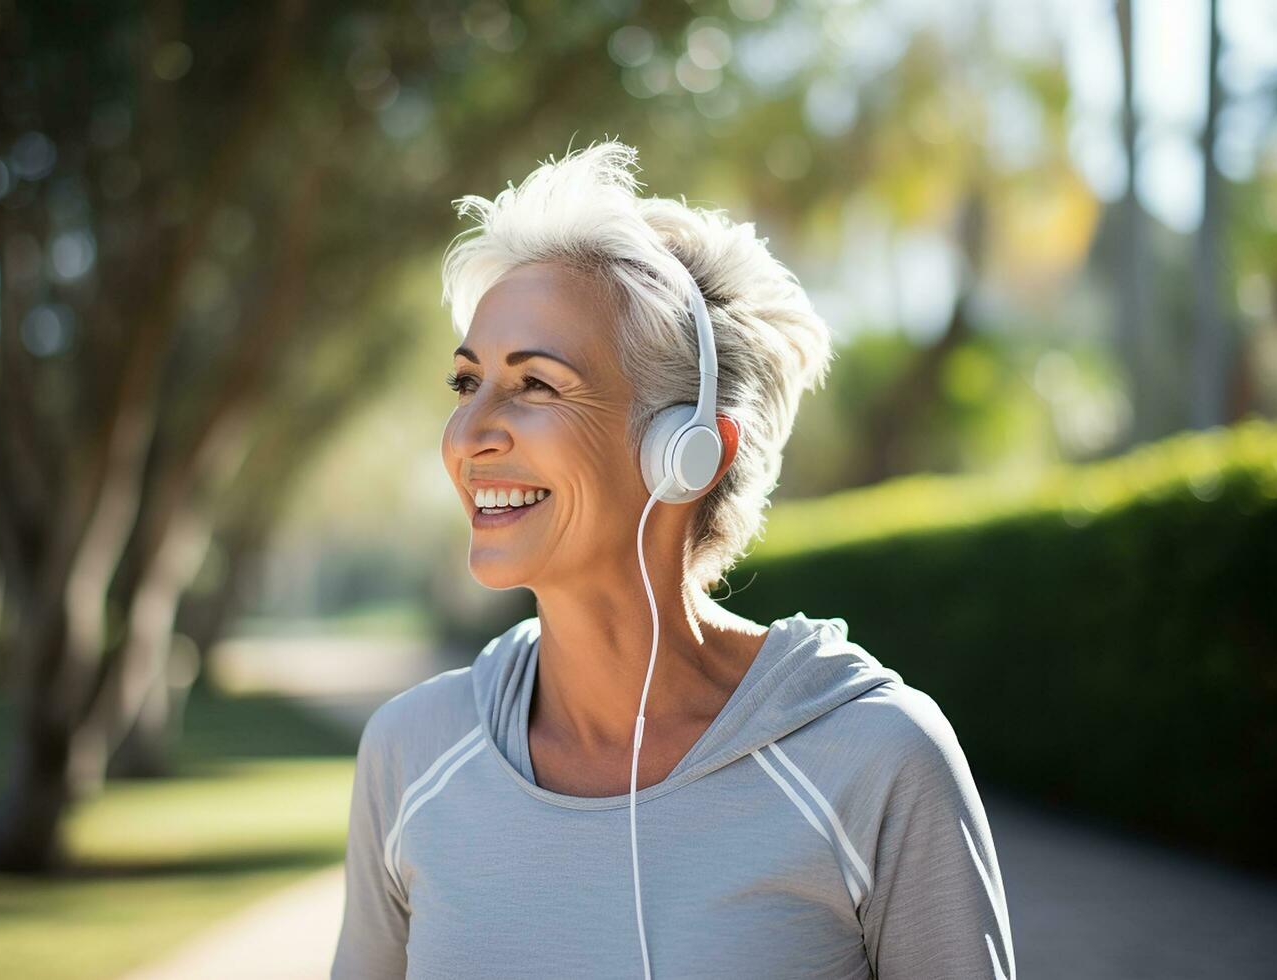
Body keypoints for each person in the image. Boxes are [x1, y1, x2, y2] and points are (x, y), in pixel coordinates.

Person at [330, 140, 1014, 979]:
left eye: (536, 385)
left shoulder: (876, 761)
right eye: (466, 383)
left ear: (685, 452)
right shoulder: (412, 751)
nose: (470, 437)